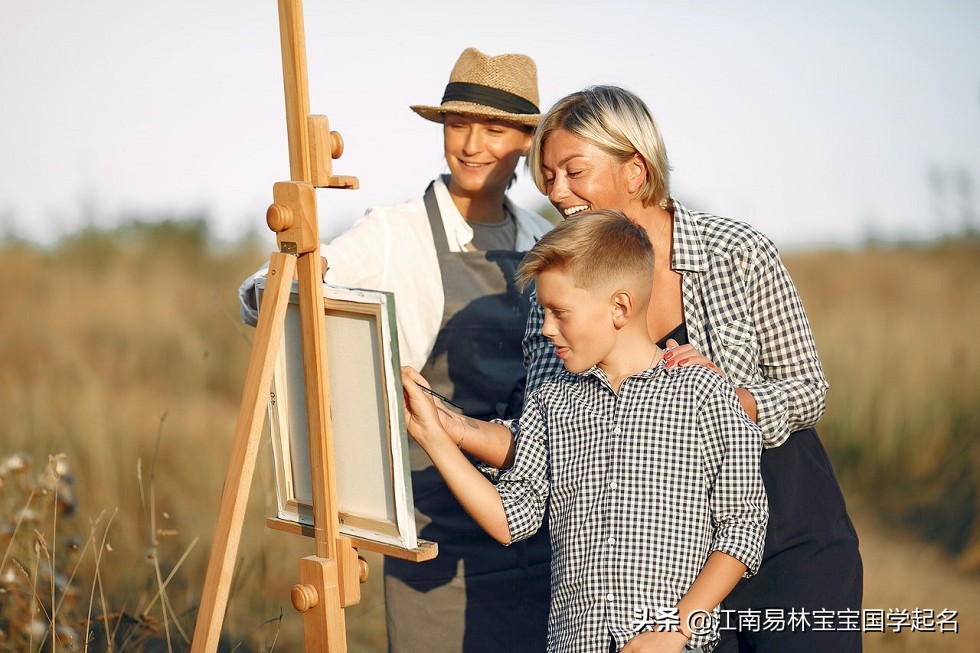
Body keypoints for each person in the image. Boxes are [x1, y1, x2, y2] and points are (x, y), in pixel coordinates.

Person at [446, 85, 864, 652]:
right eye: (548, 177)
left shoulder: (737, 253)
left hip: (790, 538)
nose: (557, 192)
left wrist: (728, 400)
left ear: (635, 171)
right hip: (668, 574)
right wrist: (450, 427)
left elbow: (809, 390)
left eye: (574, 171)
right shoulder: (557, 293)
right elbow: (547, 436)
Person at [238, 48, 554, 653]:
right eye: (457, 125)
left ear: (525, 143)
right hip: (432, 514)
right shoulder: (395, 230)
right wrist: (282, 288)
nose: (470, 145)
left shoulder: (549, 239)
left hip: (537, 507)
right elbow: (276, 287)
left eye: (493, 129)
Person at [401, 210, 769, 653]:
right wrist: (435, 440)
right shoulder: (548, 402)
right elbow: (509, 522)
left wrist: (677, 629)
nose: (545, 329)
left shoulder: (704, 392)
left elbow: (743, 527)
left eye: (559, 313)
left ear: (619, 307)